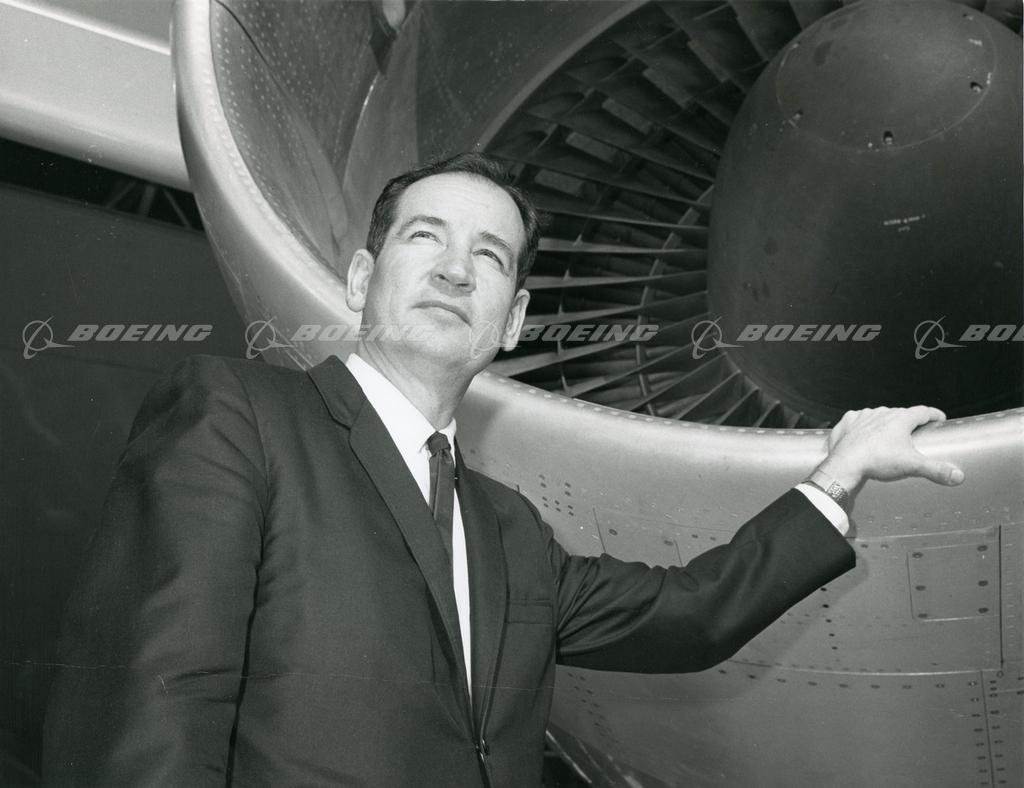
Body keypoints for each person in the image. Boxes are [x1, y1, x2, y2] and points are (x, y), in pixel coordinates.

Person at [42, 153, 964, 787]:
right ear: (360, 279)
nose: (455, 271)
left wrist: (838, 476)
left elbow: (692, 613)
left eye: (488, 257)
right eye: (425, 238)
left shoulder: (511, 531)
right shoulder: (240, 415)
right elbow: (148, 699)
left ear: (513, 321)